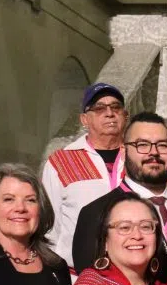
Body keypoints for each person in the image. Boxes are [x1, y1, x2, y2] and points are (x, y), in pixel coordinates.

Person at [73, 111, 167, 283]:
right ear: (123, 151)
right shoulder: (96, 213)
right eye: (142, 145)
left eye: (162, 145)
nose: (153, 152)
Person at [41, 82, 128, 273]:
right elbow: (50, 227)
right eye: (99, 108)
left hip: (133, 276)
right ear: (84, 119)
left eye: (115, 107)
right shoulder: (61, 161)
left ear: (125, 115)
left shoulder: (139, 158)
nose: (109, 113)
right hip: (78, 277)